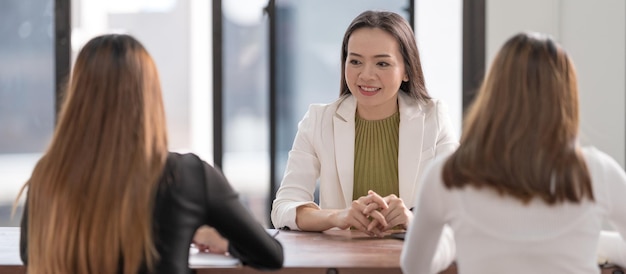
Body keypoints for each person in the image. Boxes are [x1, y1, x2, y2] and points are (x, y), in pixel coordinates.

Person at [15, 34, 283, 274]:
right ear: (149, 96)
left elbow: (29, 254)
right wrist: (224, 242)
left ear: (79, 99)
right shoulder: (188, 175)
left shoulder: (47, 175)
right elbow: (270, 255)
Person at [401, 32, 626, 273]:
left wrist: (456, 238)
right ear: (565, 97)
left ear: (494, 91)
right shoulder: (597, 172)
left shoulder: (447, 175)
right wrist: (589, 240)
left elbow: (415, 267)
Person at [271, 10, 457, 272]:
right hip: (342, 265)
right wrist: (340, 216)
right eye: (355, 61)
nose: (366, 75)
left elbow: (458, 208)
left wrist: (412, 219)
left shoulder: (434, 118)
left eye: (382, 63)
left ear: (406, 70)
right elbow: (283, 208)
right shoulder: (319, 120)